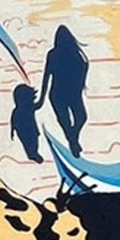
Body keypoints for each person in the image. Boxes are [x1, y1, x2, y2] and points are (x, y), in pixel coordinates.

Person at [42, 25, 91, 157]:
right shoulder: (54, 54)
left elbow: (84, 68)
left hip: (69, 93)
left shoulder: (75, 54)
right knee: (65, 120)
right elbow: (47, 75)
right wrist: (41, 99)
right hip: (60, 94)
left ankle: (73, 139)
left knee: (81, 117)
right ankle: (73, 141)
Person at [9, 83, 45, 163]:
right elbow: (13, 120)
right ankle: (32, 153)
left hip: (31, 130)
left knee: (34, 141)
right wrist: (12, 130)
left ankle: (33, 152)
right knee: (28, 142)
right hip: (24, 130)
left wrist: (43, 94)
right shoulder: (20, 110)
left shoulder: (28, 107)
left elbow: (39, 104)